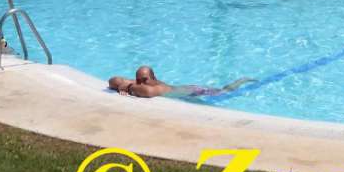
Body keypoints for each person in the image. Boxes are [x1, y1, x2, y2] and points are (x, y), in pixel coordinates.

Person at [107, 65, 255, 99]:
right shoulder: (141, 83)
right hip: (182, 91)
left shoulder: (155, 87)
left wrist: (128, 86)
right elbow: (113, 80)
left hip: (190, 91)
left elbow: (147, 93)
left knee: (224, 92)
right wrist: (124, 84)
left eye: (144, 79)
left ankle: (242, 81)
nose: (141, 82)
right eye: (138, 79)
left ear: (153, 77)